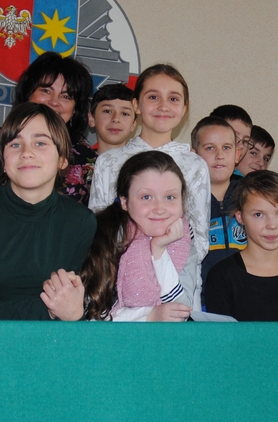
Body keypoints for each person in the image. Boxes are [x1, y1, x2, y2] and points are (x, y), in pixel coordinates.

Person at [0, 103, 95, 320]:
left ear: (62, 159)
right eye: (15, 144)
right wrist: (50, 312)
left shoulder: (81, 221)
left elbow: (73, 303)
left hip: (52, 338)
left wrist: (69, 311)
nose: (27, 153)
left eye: (40, 143)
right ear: (3, 159)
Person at [89, 65, 210, 306]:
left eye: (173, 99)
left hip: (177, 285)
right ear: (136, 105)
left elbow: (200, 239)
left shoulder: (195, 164)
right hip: (117, 284)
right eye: (153, 97)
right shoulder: (109, 161)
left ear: (184, 108)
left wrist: (165, 264)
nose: (163, 106)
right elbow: (98, 228)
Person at [0, 52, 96, 205]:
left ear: (75, 109)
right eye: (46, 91)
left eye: (66, 96)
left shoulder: (86, 158)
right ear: (28, 94)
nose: (54, 102)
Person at [81, 152, 193, 322]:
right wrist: (147, 316)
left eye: (170, 197)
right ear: (124, 202)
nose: (159, 208)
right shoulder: (104, 235)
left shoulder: (183, 240)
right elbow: (91, 314)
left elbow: (180, 312)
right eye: (146, 197)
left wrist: (159, 251)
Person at [204, 172, 278, 321]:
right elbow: (222, 335)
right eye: (258, 215)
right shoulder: (221, 276)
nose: (272, 225)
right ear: (240, 217)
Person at [192, 117, 246, 284]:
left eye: (226, 147)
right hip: (202, 295)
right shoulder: (184, 202)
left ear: (237, 154)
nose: (219, 155)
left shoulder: (251, 197)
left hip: (248, 292)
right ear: (193, 156)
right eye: (210, 148)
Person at [87, 83, 138, 155]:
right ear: (91, 118)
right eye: (107, 111)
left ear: (133, 124)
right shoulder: (74, 160)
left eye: (124, 113)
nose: (116, 119)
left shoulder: (146, 161)